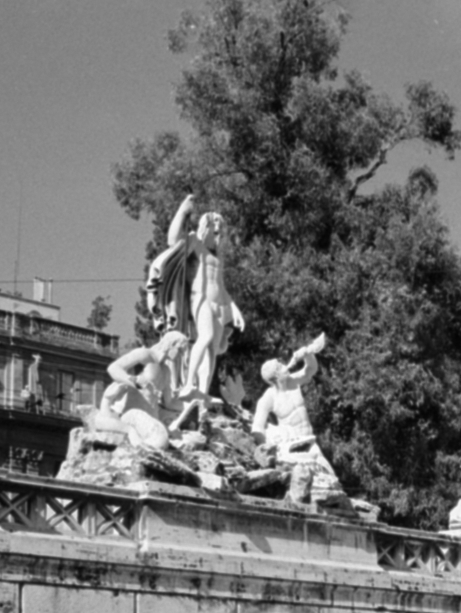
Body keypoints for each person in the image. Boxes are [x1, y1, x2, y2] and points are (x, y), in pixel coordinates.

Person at [158, 194, 243, 397]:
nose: (218, 234)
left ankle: (203, 391)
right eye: (215, 229)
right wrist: (182, 211)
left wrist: (234, 308)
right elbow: (173, 241)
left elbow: (221, 286)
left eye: (220, 231)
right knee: (205, 337)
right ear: (206, 227)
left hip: (219, 304)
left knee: (212, 351)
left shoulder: (217, 257)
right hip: (200, 299)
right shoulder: (196, 244)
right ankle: (188, 384)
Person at [251, 334, 339, 501]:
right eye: (280, 366)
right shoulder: (269, 398)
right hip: (293, 447)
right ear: (276, 376)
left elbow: (310, 369)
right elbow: (257, 428)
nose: (284, 365)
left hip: (309, 440)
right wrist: (268, 448)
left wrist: (307, 354)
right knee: (312, 483)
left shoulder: (293, 381)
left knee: (331, 477)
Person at [88, 331, 191, 450]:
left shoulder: (166, 371)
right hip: (133, 416)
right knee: (160, 440)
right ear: (171, 344)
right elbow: (113, 368)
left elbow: (169, 403)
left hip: (153, 420)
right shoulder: (145, 355)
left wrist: (193, 405)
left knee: (189, 439)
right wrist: (134, 381)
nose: (181, 356)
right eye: (180, 350)